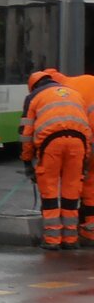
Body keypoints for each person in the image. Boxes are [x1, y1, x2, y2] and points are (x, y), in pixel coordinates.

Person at [20, 69, 92, 250]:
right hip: (79, 144)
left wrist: (27, 162)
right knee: (71, 190)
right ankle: (70, 239)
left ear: (33, 86)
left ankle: (52, 240)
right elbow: (86, 128)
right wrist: (86, 158)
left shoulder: (34, 97)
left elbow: (27, 134)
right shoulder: (74, 94)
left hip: (51, 144)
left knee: (50, 189)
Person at [56, 70, 94, 246]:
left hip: (87, 140)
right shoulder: (84, 80)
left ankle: (84, 230)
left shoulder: (63, 93)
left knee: (81, 183)